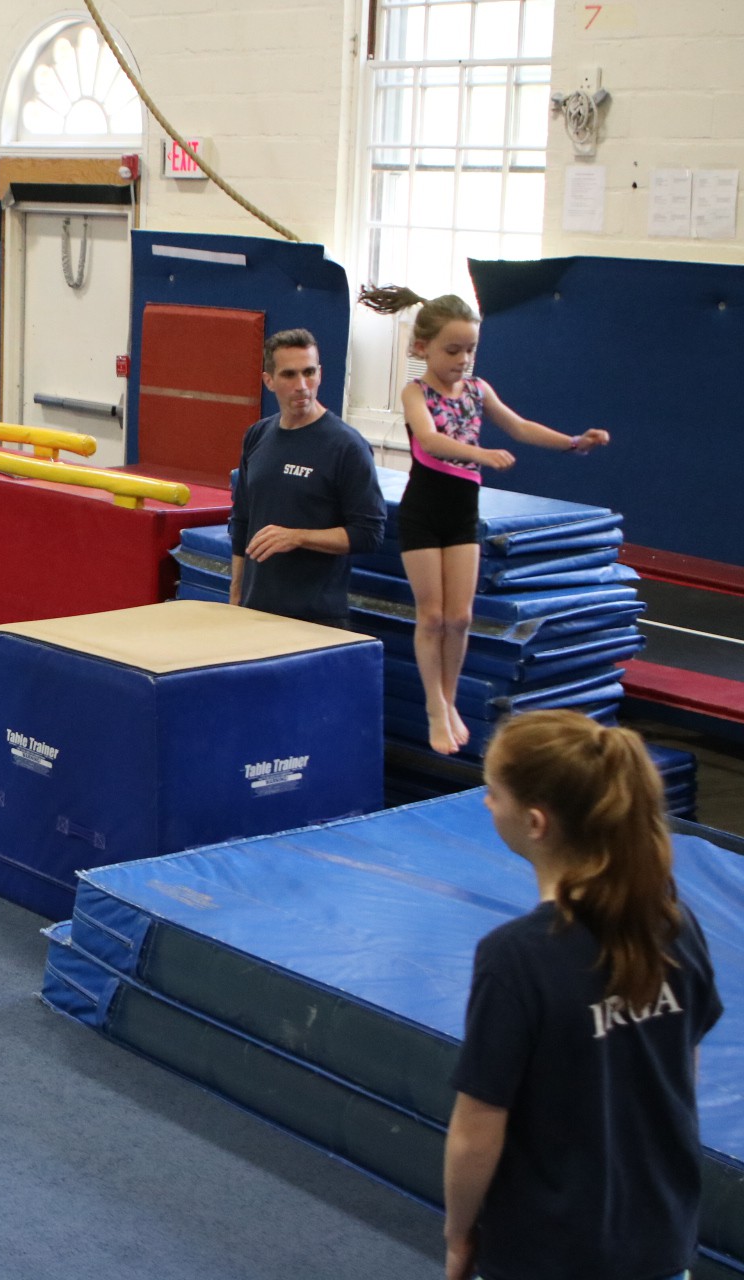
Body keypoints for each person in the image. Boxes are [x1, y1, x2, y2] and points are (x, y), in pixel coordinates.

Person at [446, 710, 721, 1280]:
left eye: (492, 792)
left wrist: (458, 1231)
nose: (485, 803)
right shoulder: (673, 924)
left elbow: (478, 1126)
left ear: (536, 821)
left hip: (551, 1252)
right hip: (660, 1240)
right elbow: (683, 1070)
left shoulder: (516, 957)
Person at [359, 286, 612, 755]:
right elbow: (431, 442)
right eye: (452, 350)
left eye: (470, 350)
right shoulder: (416, 393)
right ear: (422, 349)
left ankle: (450, 699)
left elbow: (520, 427)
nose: (462, 360)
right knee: (432, 616)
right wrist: (480, 454)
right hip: (424, 510)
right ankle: (435, 705)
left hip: (462, 513)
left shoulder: (478, 390)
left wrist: (574, 442)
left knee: (460, 617)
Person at [227, 329, 388, 629]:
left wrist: (297, 537)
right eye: (289, 375)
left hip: (317, 619)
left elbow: (370, 533)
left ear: (320, 374)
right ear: (269, 381)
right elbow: (242, 521)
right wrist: (236, 593)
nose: (301, 386)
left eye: (309, 372)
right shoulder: (257, 436)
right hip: (256, 612)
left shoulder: (347, 447)